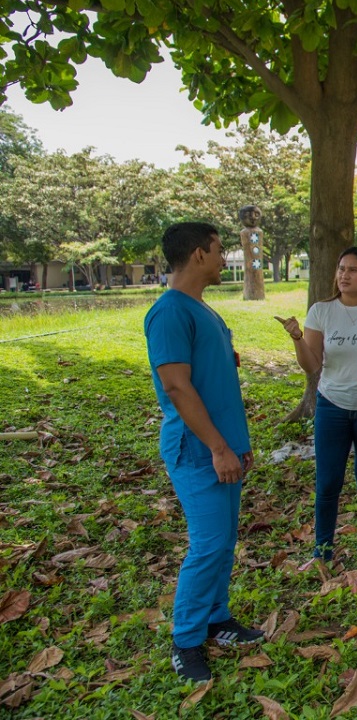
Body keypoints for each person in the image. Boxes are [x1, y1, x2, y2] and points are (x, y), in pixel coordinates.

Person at [144, 222, 263, 682]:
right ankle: (187, 640)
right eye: (218, 250)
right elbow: (176, 386)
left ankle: (217, 619)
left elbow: (218, 382)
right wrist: (217, 447)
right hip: (197, 450)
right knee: (208, 545)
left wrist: (238, 445)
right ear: (198, 254)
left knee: (223, 544)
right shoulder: (170, 313)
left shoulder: (201, 310)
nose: (222, 257)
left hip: (223, 447)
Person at [275, 247, 357, 568]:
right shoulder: (321, 312)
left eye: (352, 270)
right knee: (328, 481)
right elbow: (312, 365)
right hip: (332, 406)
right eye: (341, 269)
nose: (344, 276)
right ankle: (322, 551)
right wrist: (297, 339)